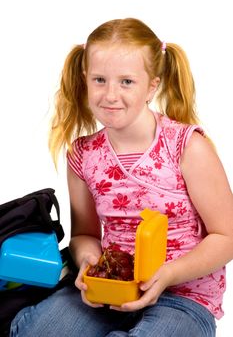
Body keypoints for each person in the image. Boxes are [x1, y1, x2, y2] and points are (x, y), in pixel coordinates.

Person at [10, 18, 233, 337]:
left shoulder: (187, 147)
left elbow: (227, 236)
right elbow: (85, 234)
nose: (110, 95)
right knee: (40, 330)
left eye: (126, 82)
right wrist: (89, 263)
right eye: (100, 80)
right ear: (85, 79)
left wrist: (168, 274)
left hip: (182, 297)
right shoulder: (83, 154)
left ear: (152, 86)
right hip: (106, 295)